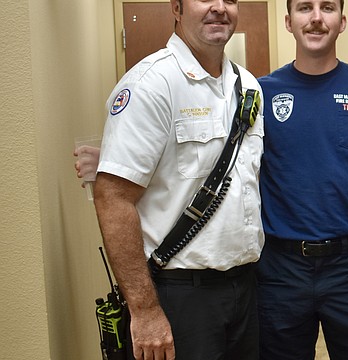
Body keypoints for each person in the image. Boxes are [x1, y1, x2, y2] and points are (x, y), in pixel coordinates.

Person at [93, 0, 264, 358]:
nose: (219, 8)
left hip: (246, 287)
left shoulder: (247, 86)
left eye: (230, 0)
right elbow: (113, 197)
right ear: (176, 7)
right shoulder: (150, 84)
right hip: (180, 294)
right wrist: (144, 310)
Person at [254, 0, 348, 359]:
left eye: (327, 8)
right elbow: (215, 155)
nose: (316, 18)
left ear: (342, 21)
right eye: (305, 8)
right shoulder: (260, 93)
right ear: (288, 22)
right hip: (280, 267)